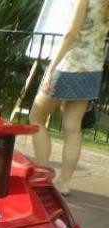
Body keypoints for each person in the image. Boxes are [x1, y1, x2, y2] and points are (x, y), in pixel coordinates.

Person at [29, 0, 109, 196]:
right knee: (73, 128)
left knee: (36, 118)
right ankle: (64, 183)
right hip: (92, 69)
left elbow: (71, 33)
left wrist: (51, 67)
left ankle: (41, 174)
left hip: (69, 66)